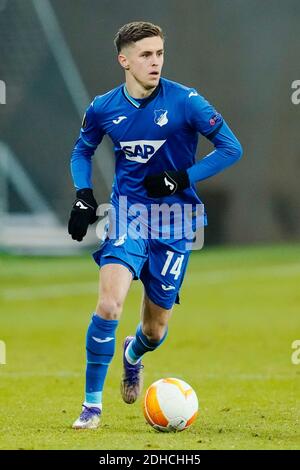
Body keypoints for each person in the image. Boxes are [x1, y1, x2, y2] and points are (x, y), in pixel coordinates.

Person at [68, 21, 243, 429]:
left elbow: (231, 148)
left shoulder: (186, 102)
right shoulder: (103, 107)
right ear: (123, 60)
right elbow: (83, 149)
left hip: (176, 223)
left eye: (160, 53)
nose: (155, 62)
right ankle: (91, 407)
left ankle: (133, 355)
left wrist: (182, 178)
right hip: (127, 215)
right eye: (146, 55)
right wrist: (83, 193)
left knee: (155, 328)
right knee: (109, 305)